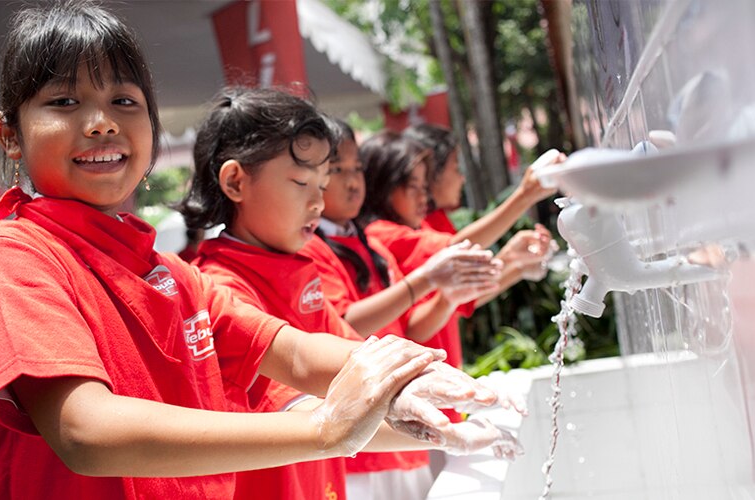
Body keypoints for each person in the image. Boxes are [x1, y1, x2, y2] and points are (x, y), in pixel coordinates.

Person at [0, 3, 504, 498]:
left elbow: (302, 355)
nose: (101, 123)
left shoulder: (168, 271)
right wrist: (325, 427)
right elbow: (84, 431)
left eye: (124, 100)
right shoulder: (10, 253)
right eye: (63, 101)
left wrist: (420, 382)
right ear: (10, 134)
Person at [179, 87, 523, 499]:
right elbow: (311, 402)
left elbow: (359, 376)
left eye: (322, 184)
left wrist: (446, 425)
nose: (318, 202)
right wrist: (445, 431)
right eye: (302, 181)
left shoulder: (300, 267)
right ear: (236, 181)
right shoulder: (218, 286)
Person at [301, 118, 504, 499]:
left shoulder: (371, 248)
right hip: (360, 448)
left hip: (398, 432)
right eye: (335, 170)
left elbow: (412, 329)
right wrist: (425, 281)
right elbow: (345, 326)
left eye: (357, 168)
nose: (351, 181)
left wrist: (445, 295)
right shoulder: (314, 249)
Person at [360, 131, 557, 367]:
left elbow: (454, 297)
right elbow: (455, 252)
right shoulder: (382, 234)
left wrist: (514, 263)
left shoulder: (415, 225)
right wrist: (524, 195)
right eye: (455, 168)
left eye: (424, 185)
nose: (424, 195)